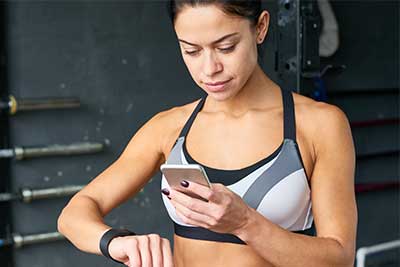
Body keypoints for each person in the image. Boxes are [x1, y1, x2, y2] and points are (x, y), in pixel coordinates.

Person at [57, 1, 357, 266]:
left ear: (261, 28)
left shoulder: (320, 125)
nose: (209, 68)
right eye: (191, 50)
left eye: (226, 47)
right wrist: (116, 241)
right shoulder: (169, 127)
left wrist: (245, 223)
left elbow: (339, 257)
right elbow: (74, 214)